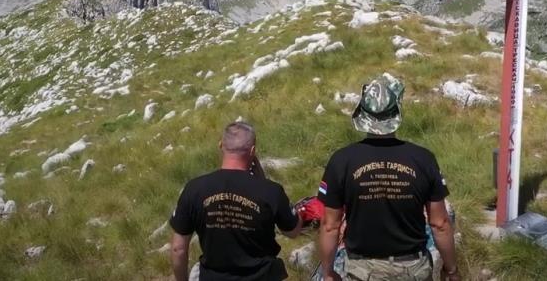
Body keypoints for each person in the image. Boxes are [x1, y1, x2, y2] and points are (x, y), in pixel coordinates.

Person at [318, 74, 459, 281]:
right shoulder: (423, 159)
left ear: (362, 114)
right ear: (397, 113)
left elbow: (330, 226)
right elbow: (440, 224)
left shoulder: (341, 161)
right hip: (412, 269)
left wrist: (328, 272)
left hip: (361, 271)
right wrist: (451, 270)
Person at [170, 121, 303, 281]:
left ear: (221, 145)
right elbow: (293, 231)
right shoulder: (270, 190)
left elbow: (178, 249)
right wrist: (263, 181)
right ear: (252, 151)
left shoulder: (194, 189)